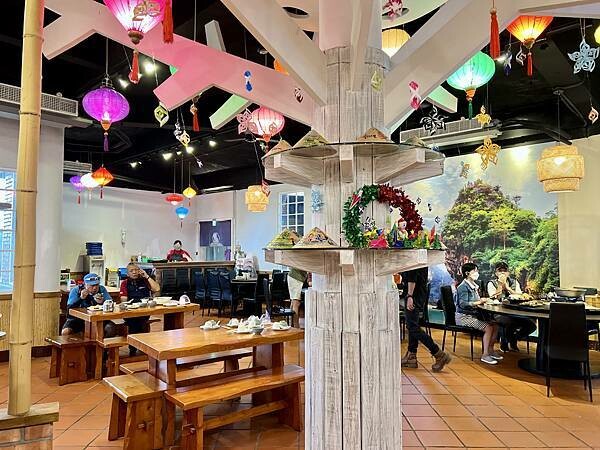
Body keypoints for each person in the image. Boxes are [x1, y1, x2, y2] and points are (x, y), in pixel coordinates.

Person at [401, 267, 452, 372]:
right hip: (418, 293)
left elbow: (412, 275)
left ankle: (438, 353)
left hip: (414, 294)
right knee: (413, 325)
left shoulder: (414, 259)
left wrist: (410, 296)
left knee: (412, 326)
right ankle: (411, 355)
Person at [456, 262, 502, 365]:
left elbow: (475, 300)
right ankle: (485, 355)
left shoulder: (473, 285)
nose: (477, 273)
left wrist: (482, 300)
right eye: (475, 271)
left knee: (495, 325)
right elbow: (463, 304)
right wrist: (479, 302)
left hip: (474, 315)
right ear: (467, 273)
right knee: (488, 328)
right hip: (464, 317)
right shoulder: (463, 287)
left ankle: (490, 350)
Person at [487, 261, 537, 352]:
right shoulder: (491, 283)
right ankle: (505, 343)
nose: (502, 273)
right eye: (500, 271)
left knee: (531, 325)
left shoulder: (514, 282)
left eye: (505, 271)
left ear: (508, 273)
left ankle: (514, 338)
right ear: (496, 273)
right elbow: (493, 297)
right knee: (508, 321)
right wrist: (500, 285)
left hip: (516, 311)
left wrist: (508, 288)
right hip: (498, 312)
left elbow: (520, 295)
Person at [120, 263, 161, 355]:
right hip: (130, 311)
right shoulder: (125, 283)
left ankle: (139, 347)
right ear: (127, 273)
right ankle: (134, 348)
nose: (134, 272)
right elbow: (123, 300)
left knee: (141, 321)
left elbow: (157, 288)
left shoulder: (145, 280)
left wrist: (147, 276)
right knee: (135, 323)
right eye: (131, 271)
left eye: (136, 270)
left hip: (144, 310)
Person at [62, 273, 116, 337]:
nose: (95, 288)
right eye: (92, 285)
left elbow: (110, 303)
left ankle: (101, 343)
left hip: (98, 318)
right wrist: (81, 298)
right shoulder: (76, 290)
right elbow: (69, 309)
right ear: (85, 285)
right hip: (78, 319)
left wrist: (102, 302)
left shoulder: (102, 289)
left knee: (110, 328)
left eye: (97, 285)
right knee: (65, 332)